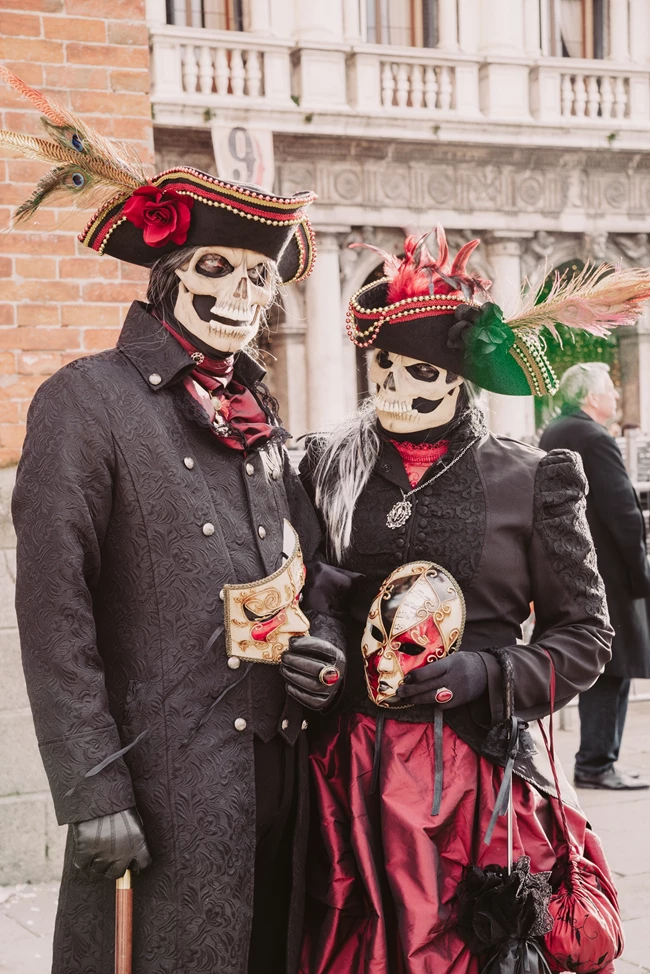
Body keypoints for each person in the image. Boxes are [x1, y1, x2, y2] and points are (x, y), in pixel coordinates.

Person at [3, 68, 345, 974]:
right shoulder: (86, 402)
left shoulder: (263, 422)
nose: (243, 293)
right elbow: (53, 611)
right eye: (217, 269)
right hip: (154, 798)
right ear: (166, 279)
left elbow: (313, 578)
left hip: (275, 793)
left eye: (260, 280)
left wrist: (326, 652)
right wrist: (90, 790)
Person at [296, 231, 650, 973]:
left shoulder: (535, 478)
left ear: (459, 379)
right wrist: (322, 652)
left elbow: (585, 635)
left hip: (472, 784)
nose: (396, 383)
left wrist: (490, 674)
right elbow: (319, 590)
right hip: (348, 779)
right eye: (383, 365)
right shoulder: (331, 470)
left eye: (419, 369)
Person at [540, 362, 650, 790]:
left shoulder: (555, 431)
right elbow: (624, 512)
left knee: (598, 664)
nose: (617, 397)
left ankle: (595, 760)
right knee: (614, 666)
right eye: (610, 389)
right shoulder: (595, 438)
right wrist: (640, 572)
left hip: (569, 567)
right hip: (607, 572)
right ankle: (597, 763)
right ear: (590, 396)